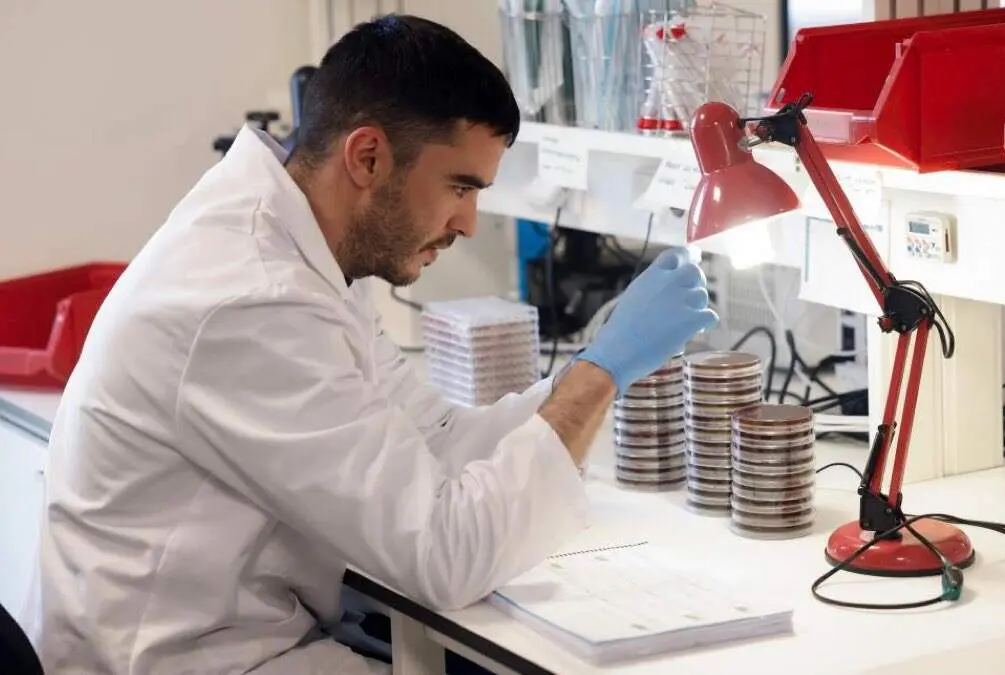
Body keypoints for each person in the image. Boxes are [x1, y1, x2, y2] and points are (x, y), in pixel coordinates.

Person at [32, 14, 717, 675]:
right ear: (367, 157)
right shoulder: (252, 300)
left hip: (245, 633)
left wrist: (595, 367)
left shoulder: (307, 248)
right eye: (459, 186)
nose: (469, 222)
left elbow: (437, 436)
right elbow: (444, 557)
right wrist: (597, 375)